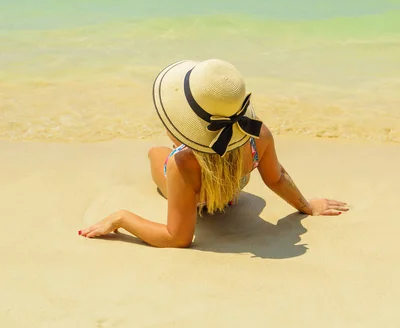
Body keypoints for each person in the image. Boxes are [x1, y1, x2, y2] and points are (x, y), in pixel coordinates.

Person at [79, 59, 349, 247]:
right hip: (233, 184)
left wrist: (122, 218)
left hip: (195, 188)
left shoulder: (181, 163)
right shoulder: (259, 135)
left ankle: (190, 148)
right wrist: (307, 206)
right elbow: (276, 178)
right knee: (195, 156)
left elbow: (177, 238)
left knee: (154, 152)